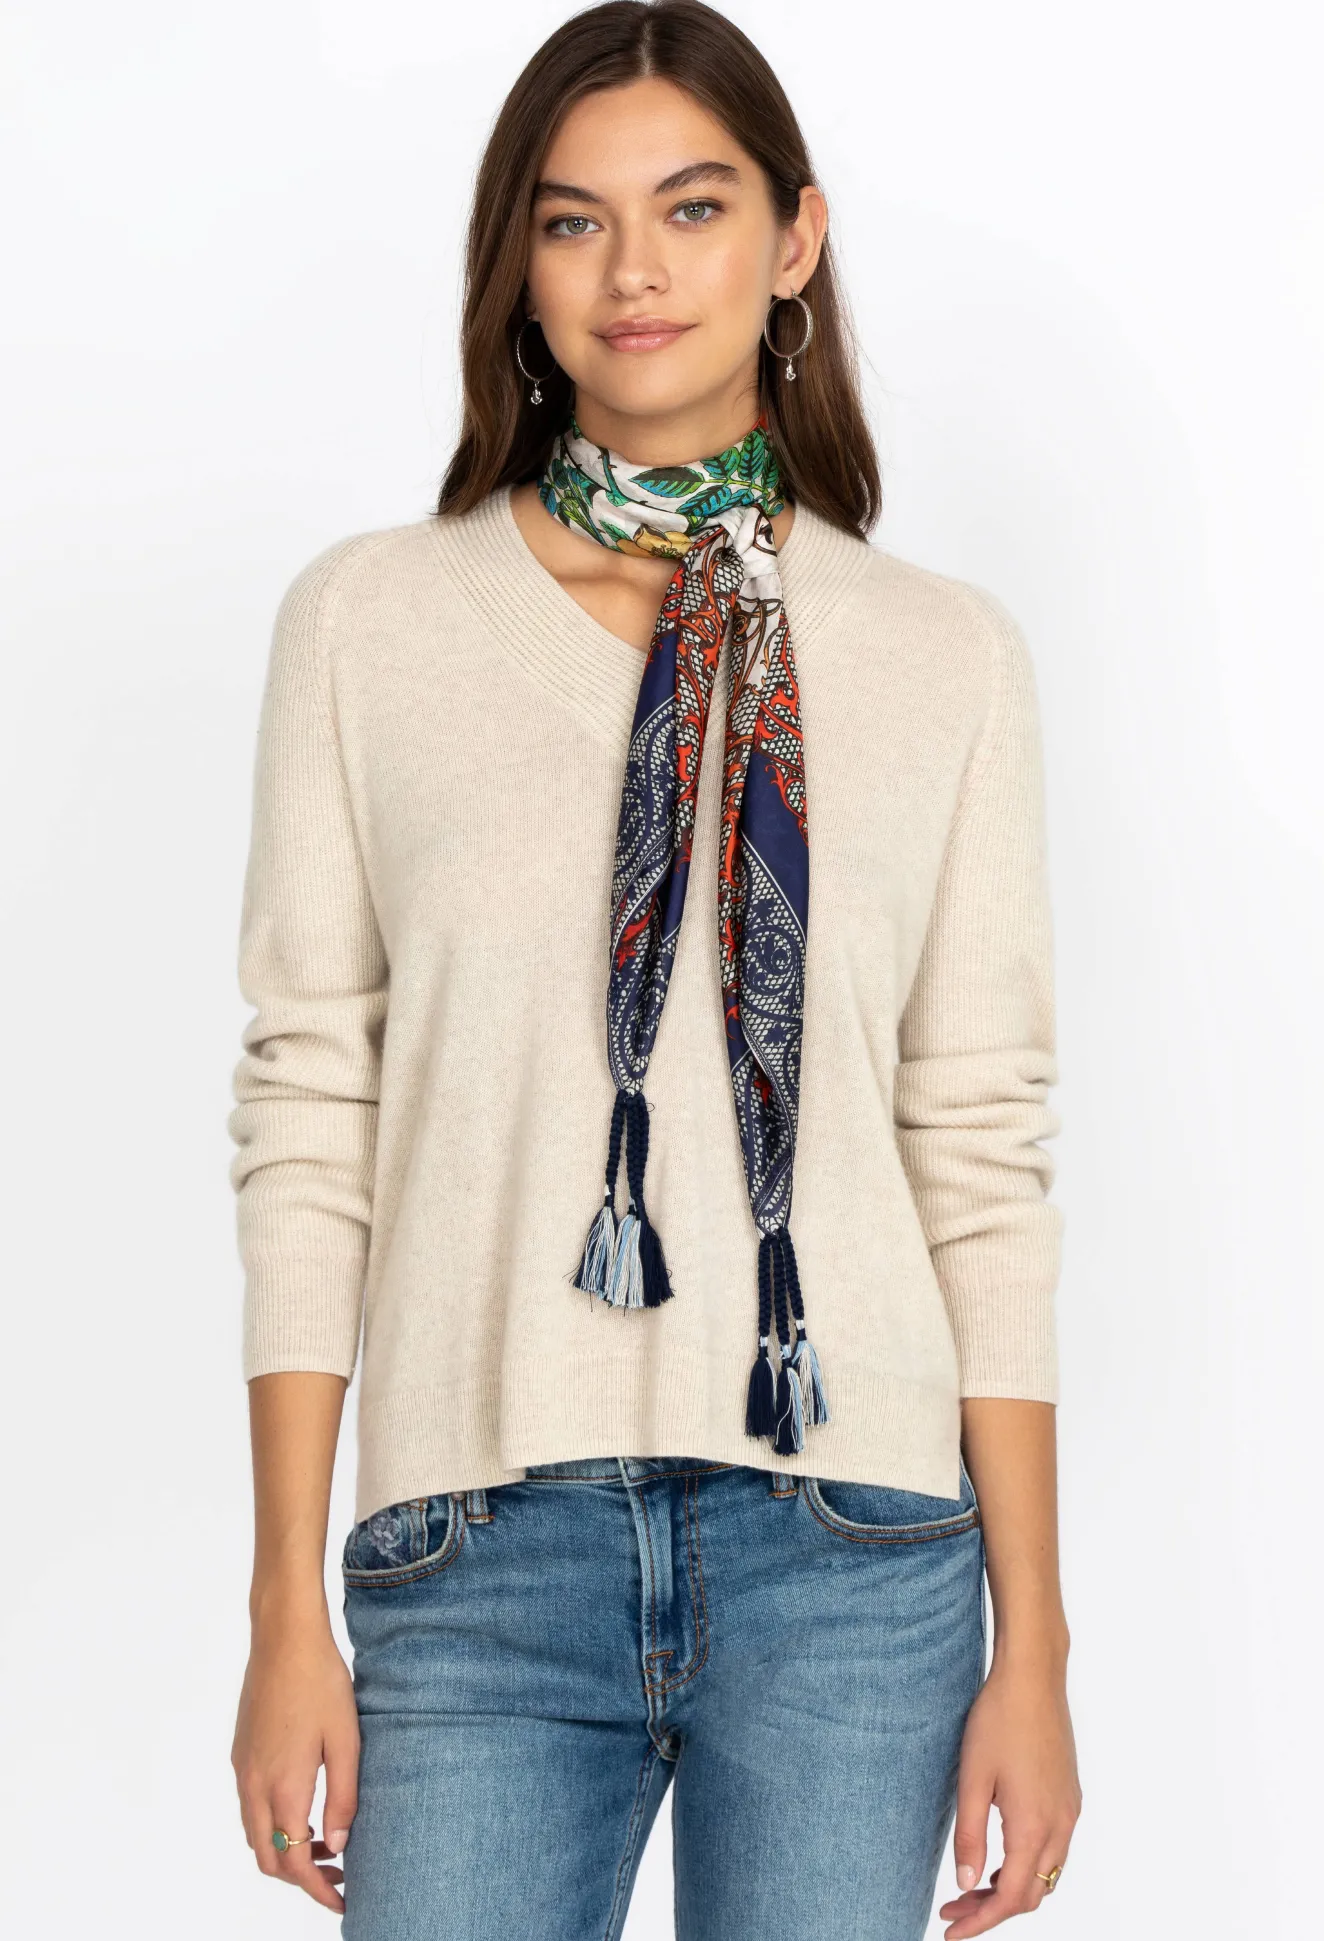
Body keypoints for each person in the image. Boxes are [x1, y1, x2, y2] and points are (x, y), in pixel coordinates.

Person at [226, 4, 1081, 1936]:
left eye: (692, 209)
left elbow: (978, 1151)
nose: (633, 271)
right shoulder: (371, 623)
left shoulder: (945, 656)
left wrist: (1034, 1644)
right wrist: (284, 1606)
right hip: (477, 1547)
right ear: (518, 269)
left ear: (794, 240)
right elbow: (309, 1108)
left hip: (854, 1551)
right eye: (573, 220)